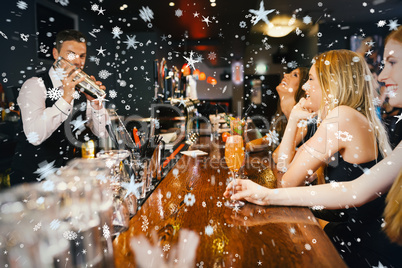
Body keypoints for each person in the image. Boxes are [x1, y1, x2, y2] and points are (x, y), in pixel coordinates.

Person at [224, 26, 402, 267]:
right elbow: (284, 170)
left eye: (309, 79)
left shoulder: (343, 117)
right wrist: (294, 120)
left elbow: (287, 180)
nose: (305, 88)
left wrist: (267, 195)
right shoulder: (346, 118)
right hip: (360, 239)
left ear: (332, 84)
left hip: (365, 252)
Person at [10, 29, 108, 186]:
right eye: (71, 54)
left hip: (67, 181)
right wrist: (66, 97)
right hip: (32, 182)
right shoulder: (34, 85)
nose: (77, 61)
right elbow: (34, 136)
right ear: (56, 54)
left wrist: (97, 106)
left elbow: (102, 132)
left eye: (82, 56)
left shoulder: (84, 89)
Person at [246, 67, 310, 155]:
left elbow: (278, 155)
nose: (285, 75)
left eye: (295, 75)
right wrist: (240, 147)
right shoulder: (283, 120)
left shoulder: (303, 122)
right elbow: (264, 142)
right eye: (289, 73)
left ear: (302, 88)